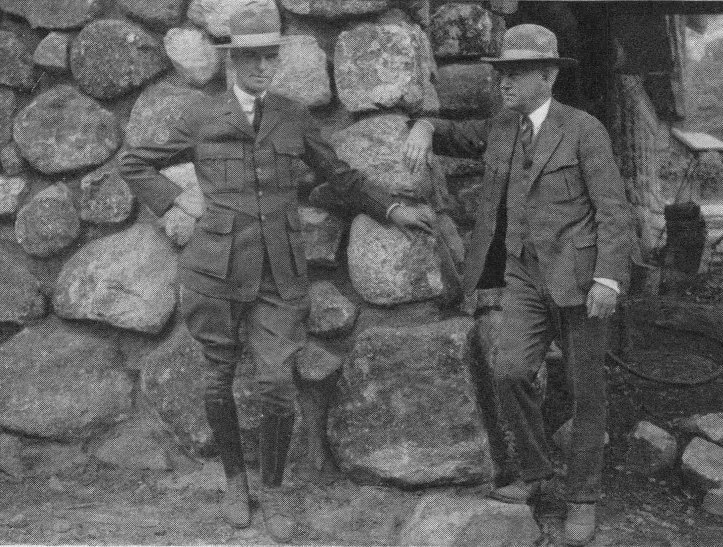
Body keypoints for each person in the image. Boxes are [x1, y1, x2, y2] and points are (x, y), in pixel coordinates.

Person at [119, 3, 432, 529]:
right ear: (233, 61)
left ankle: (274, 490)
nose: (264, 66)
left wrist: (392, 208)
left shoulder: (293, 116)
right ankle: (235, 483)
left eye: (271, 56)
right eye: (253, 58)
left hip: (279, 273)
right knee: (218, 378)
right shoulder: (202, 116)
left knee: (276, 385)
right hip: (215, 270)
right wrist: (176, 200)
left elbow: (340, 175)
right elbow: (134, 162)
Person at [403, 24, 633, 546]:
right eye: (502, 72)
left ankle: (582, 498)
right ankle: (536, 473)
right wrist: (424, 125)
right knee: (509, 371)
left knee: (585, 390)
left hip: (580, 279)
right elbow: (456, 136)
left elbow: (613, 210)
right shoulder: (503, 127)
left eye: (517, 72)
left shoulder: (584, 130)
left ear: (548, 76)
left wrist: (608, 278)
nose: (504, 81)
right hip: (524, 276)